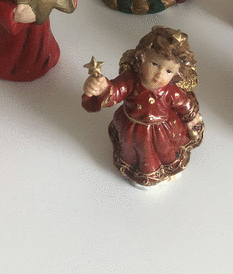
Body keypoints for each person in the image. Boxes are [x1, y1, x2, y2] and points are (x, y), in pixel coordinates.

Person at [82, 26, 203, 187]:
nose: (159, 74)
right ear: (142, 58)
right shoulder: (131, 80)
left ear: (176, 74)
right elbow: (115, 91)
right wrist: (102, 88)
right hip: (132, 127)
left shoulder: (170, 91)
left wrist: (191, 118)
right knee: (135, 151)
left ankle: (165, 169)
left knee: (164, 151)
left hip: (162, 129)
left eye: (168, 71)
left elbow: (183, 103)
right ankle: (137, 170)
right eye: (154, 64)